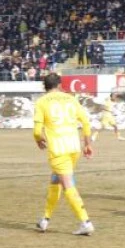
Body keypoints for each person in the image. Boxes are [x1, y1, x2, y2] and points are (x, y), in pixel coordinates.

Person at [33, 72, 96, 235]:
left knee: (67, 184)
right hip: (74, 147)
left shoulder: (41, 102)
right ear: (60, 85)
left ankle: (85, 222)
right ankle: (45, 220)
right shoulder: (71, 99)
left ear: (44, 86)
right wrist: (87, 144)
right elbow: (86, 122)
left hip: (58, 149)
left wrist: (38, 139)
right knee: (55, 180)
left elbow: (37, 131)